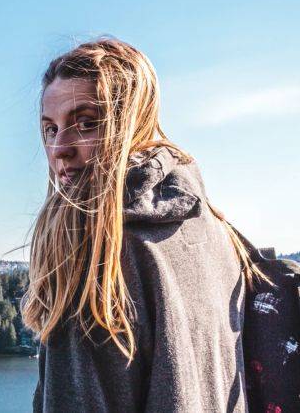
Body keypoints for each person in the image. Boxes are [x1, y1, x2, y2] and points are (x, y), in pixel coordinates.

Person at [22, 39, 265, 412]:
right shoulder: (216, 232)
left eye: (86, 123)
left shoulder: (97, 253)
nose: (59, 149)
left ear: (128, 123)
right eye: (51, 129)